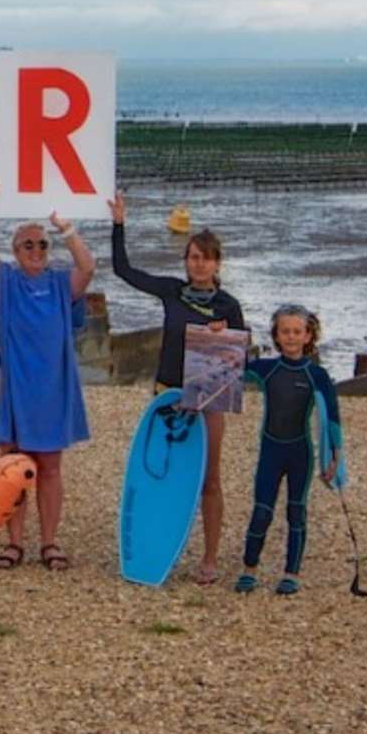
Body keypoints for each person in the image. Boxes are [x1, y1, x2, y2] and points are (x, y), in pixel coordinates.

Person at [109, 192, 246, 585]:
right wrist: (119, 223)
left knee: (210, 479)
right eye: (192, 256)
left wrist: (228, 334)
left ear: (217, 262)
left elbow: (241, 355)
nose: (197, 263)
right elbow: (123, 270)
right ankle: (157, 548)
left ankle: (210, 558)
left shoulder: (228, 305)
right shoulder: (171, 291)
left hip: (209, 399)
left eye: (204, 257)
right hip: (168, 393)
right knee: (160, 473)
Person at [0, 167, 95, 572]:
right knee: (14, 468)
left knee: (50, 467)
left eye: (42, 244)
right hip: (14, 389)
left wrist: (66, 228)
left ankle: (49, 541)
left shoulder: (60, 284)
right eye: (28, 244)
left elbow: (88, 268)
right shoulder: (4, 282)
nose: (36, 250)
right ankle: (15, 542)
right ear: (16, 250)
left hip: (53, 388)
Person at [235, 305, 342, 596]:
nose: (292, 337)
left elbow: (331, 417)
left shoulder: (317, 375)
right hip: (271, 450)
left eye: (297, 332)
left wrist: (335, 457)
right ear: (277, 336)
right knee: (262, 511)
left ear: (309, 336)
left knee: (296, 511)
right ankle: (249, 569)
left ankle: (291, 574)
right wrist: (224, 336)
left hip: (300, 453)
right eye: (285, 332)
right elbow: (235, 366)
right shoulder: (268, 369)